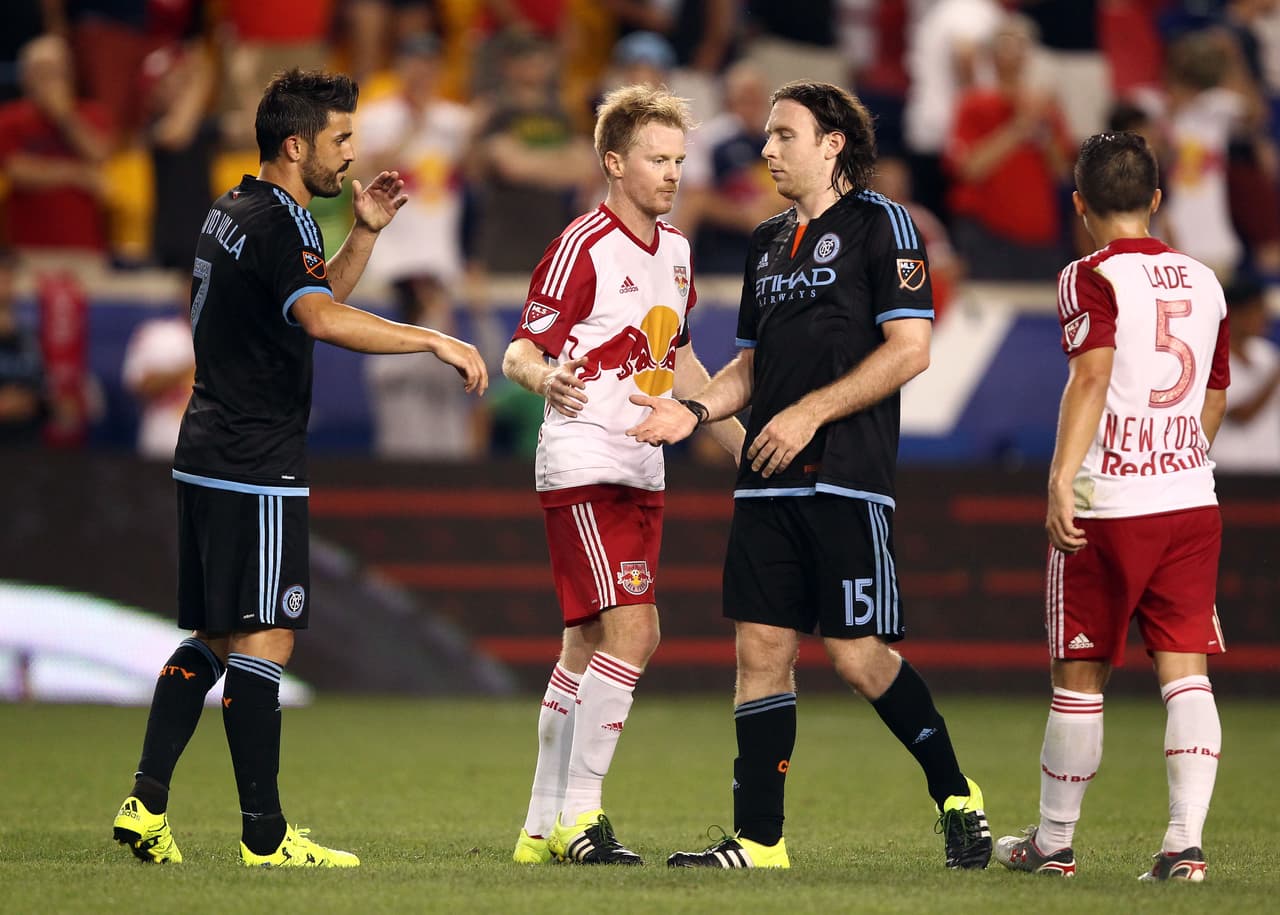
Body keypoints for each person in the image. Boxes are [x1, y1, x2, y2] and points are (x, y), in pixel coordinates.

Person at [111, 68, 487, 869]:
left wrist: (366, 231)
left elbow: (302, 305)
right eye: (340, 139)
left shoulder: (237, 207)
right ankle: (265, 835)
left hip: (208, 445)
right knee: (266, 636)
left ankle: (145, 804)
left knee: (213, 635)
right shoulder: (282, 224)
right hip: (256, 457)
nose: (350, 154)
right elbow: (320, 315)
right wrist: (431, 337)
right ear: (296, 144)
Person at [628, 81, 991, 871]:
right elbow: (751, 368)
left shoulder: (883, 225)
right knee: (759, 653)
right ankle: (760, 840)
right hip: (766, 481)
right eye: (765, 135)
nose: (767, 149)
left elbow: (910, 349)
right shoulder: (764, 241)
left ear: (832, 144)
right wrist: (692, 412)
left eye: (784, 134)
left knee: (858, 657)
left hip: (845, 478)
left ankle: (957, 790)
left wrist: (810, 414)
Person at [502, 84, 744, 866]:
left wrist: (743, 442)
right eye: (657, 158)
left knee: (583, 644)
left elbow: (678, 360)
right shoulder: (584, 245)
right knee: (637, 630)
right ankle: (582, 814)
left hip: (644, 465)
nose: (673, 173)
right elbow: (520, 351)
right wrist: (545, 380)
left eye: (679, 159)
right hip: (584, 461)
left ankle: (539, 829)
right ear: (614, 162)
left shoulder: (675, 250)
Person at [993, 132, 1229, 881]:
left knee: (1080, 672)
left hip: (1108, 500)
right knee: (1186, 671)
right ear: (1157, 199)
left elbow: (1090, 378)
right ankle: (1183, 845)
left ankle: (1054, 844)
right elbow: (1214, 391)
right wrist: (1182, 453)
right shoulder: (1206, 278)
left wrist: (1062, 477)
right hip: (1190, 498)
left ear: (1079, 205)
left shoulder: (1086, 276)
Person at [1210, 277, 1280, 471]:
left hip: (1270, 467)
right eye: (1256, 310)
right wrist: (1275, 376)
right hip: (1231, 469)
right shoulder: (1213, 359)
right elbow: (1241, 415)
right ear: (1235, 313)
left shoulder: (1266, 353)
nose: (1263, 318)